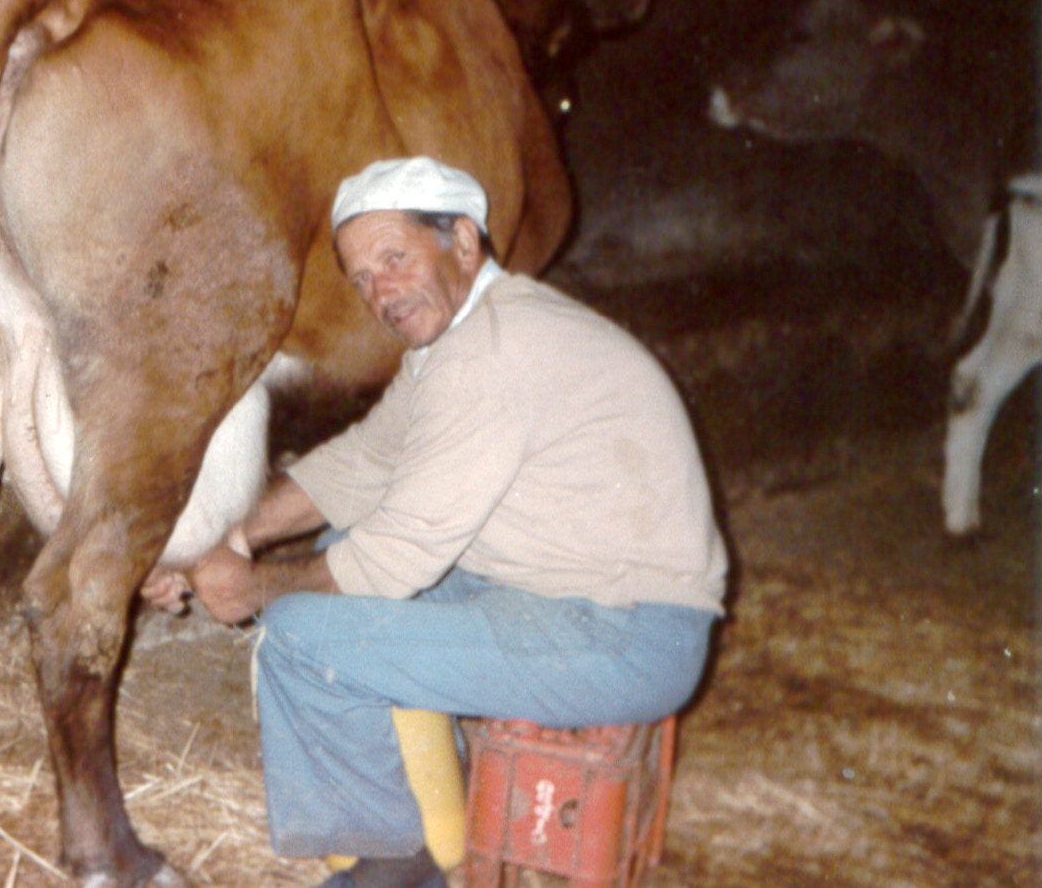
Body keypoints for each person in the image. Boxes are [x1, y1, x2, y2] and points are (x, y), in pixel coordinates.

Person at [144, 157, 728, 888]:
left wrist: (252, 587)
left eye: (393, 258)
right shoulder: (462, 340)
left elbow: (398, 561)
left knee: (299, 635)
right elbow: (361, 464)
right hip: (574, 599)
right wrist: (214, 540)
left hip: (622, 634)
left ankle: (396, 863)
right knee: (335, 551)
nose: (379, 292)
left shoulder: (488, 352)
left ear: (461, 241)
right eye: (361, 278)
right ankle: (432, 811)